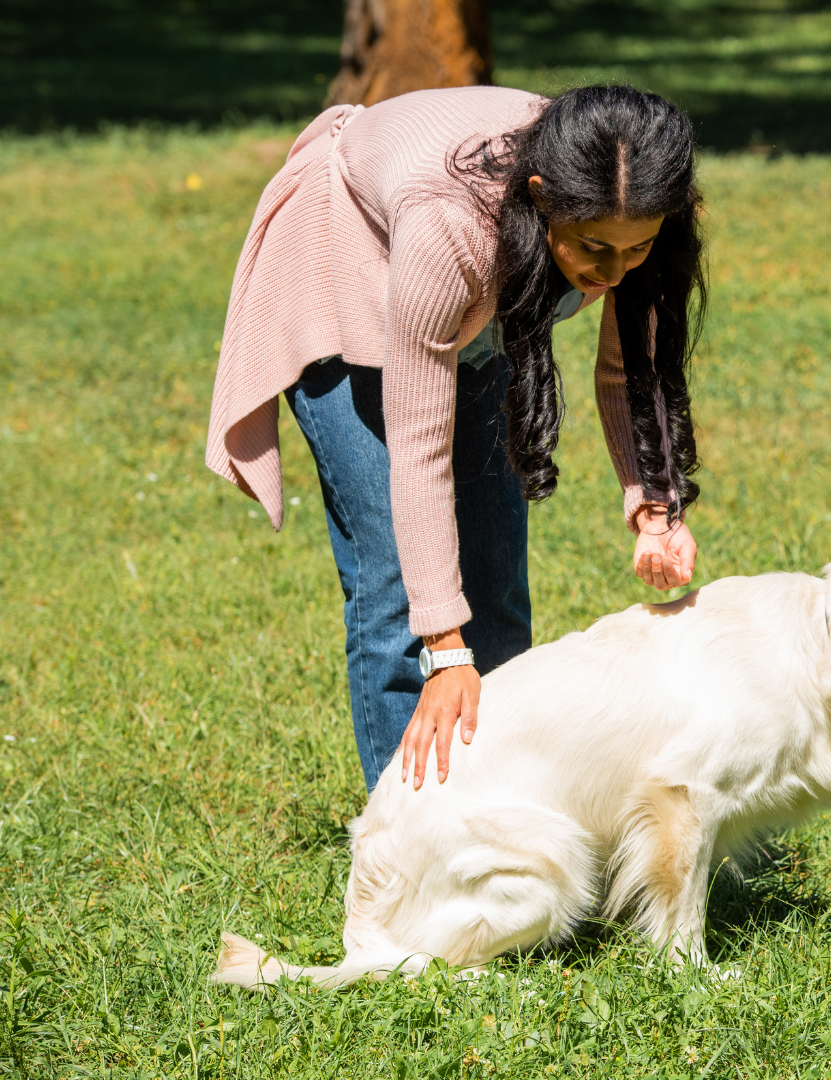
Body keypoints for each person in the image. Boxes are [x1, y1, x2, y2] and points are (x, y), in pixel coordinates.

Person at [207, 85, 706, 793]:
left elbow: (634, 372)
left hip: (473, 300)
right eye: (594, 247)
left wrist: (656, 506)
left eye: (638, 248)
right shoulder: (451, 226)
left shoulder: (632, 196)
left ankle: (501, 810)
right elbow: (418, 443)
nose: (613, 271)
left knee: (494, 580)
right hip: (348, 274)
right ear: (540, 195)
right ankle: (406, 846)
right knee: (396, 590)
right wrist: (444, 650)